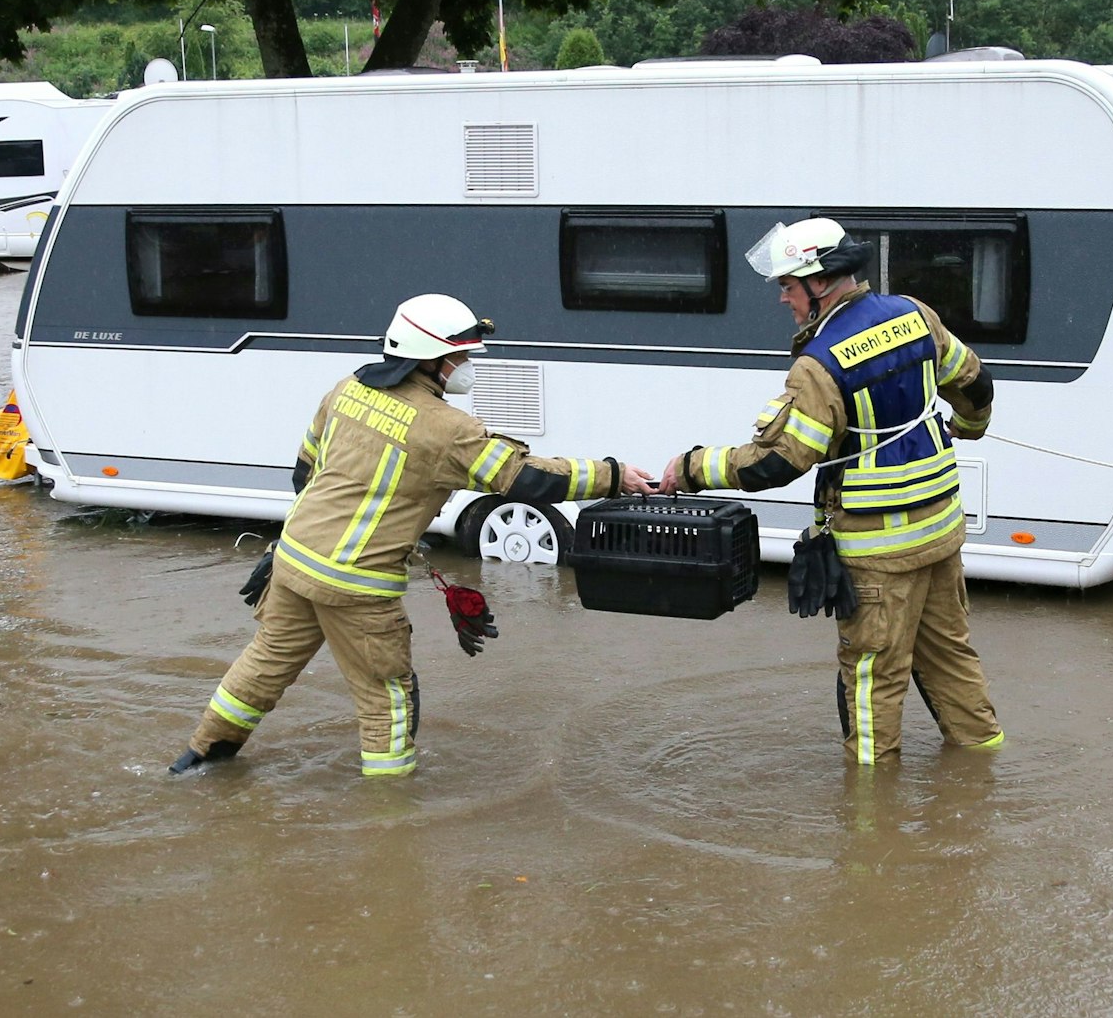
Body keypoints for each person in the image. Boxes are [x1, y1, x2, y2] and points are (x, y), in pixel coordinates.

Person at [169, 294, 653, 777]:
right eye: (461, 356)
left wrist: (301, 547)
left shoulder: (346, 390)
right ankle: (390, 820)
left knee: (263, 665)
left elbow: (305, 474)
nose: (466, 366)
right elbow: (528, 480)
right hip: (356, 586)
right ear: (433, 359)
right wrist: (613, 474)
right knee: (388, 700)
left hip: (293, 562)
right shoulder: (447, 429)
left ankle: (200, 759)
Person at [658, 218, 1002, 766]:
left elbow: (780, 460)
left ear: (821, 283)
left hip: (878, 555)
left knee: (872, 683)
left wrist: (694, 468)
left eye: (788, 285)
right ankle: (983, 769)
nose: (782, 298)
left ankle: (869, 826)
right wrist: (972, 425)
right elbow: (975, 382)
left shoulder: (819, 365)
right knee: (950, 660)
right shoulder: (915, 315)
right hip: (941, 533)